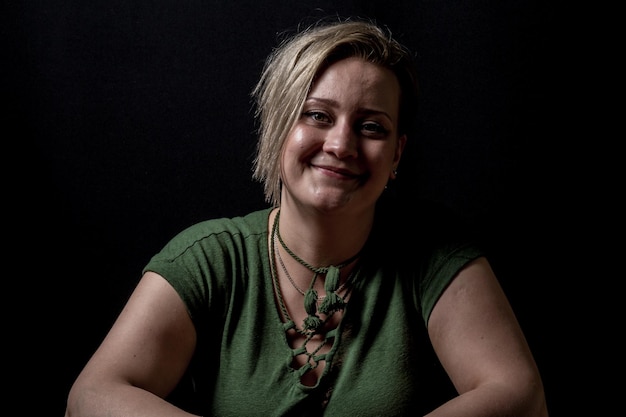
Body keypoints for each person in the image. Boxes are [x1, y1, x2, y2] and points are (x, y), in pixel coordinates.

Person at [64, 18, 549, 417]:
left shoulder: (432, 252)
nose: (341, 145)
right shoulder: (211, 257)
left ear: (397, 154)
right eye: (317, 115)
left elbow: (522, 397)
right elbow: (90, 397)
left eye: (371, 126)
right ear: (278, 127)